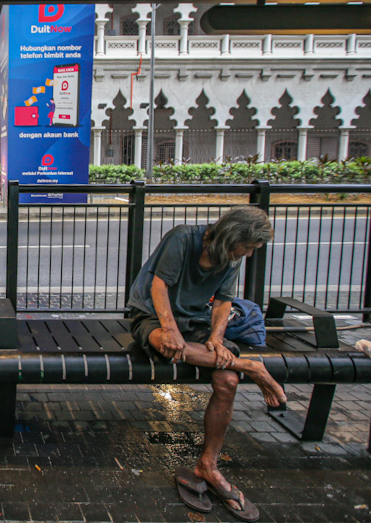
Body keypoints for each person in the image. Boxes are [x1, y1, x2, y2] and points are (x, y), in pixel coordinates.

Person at [126, 206, 284, 522]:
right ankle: (251, 367)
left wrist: (216, 338)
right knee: (168, 344)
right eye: (248, 246)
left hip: (194, 320)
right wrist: (170, 328)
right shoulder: (183, 238)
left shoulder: (231, 257)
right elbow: (159, 286)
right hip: (152, 316)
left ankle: (208, 465)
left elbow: (224, 302)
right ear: (232, 235)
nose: (249, 254)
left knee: (227, 379)